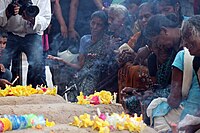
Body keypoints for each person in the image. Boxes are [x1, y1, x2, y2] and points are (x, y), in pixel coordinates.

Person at [146, 15, 200, 133]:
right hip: (192, 116)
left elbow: (174, 99)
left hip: (191, 116)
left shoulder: (182, 56)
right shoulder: (195, 60)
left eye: (188, 38)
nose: (184, 44)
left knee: (156, 108)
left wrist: (194, 125)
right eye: (183, 39)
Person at [48, 11, 109, 101]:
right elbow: (80, 66)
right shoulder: (85, 40)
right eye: (93, 23)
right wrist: (62, 61)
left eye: (99, 25)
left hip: (96, 77)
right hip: (81, 75)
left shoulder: (107, 42)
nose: (95, 27)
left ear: (104, 27)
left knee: (84, 96)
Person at [0, 0, 51, 88]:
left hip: (33, 34)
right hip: (9, 32)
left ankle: (35, 92)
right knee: (3, 65)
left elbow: (46, 19)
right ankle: (4, 91)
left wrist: (33, 19)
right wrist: (7, 13)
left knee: (37, 64)